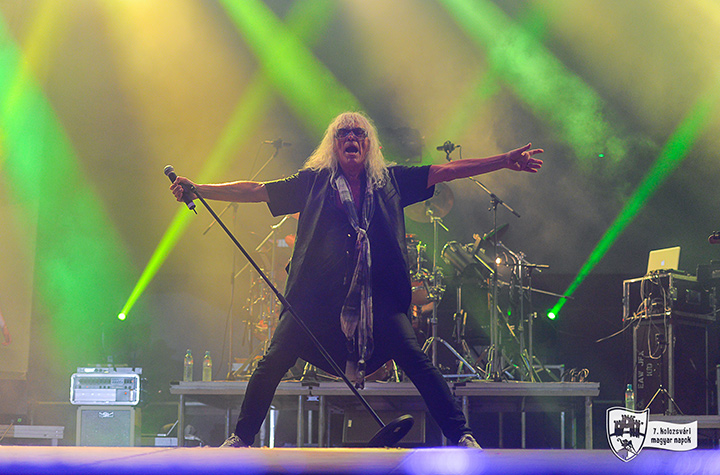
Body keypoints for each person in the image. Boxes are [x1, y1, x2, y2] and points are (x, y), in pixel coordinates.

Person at [170, 111, 543, 448]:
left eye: (359, 133)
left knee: (418, 362)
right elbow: (257, 190)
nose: (351, 137)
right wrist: (200, 189)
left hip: (380, 299)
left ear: (369, 144)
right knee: (273, 360)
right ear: (334, 145)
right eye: (343, 133)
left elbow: (448, 171)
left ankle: (461, 435)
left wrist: (502, 161)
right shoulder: (313, 182)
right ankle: (241, 437)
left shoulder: (392, 181)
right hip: (315, 300)